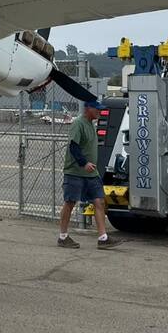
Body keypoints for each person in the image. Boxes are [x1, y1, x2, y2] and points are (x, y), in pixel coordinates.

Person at [57, 99, 119, 249]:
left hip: (91, 173)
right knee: (70, 202)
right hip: (76, 172)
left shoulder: (91, 124)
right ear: (88, 108)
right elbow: (73, 147)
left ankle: (103, 238)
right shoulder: (78, 124)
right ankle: (63, 237)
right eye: (97, 109)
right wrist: (83, 163)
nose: (100, 111)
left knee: (99, 201)